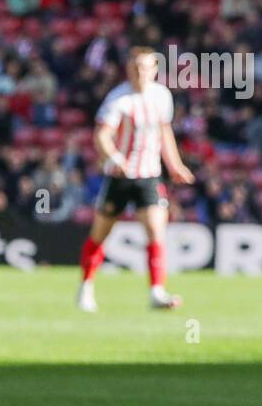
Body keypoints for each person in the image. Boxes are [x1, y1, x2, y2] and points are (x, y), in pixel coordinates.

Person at [78, 47, 196, 312]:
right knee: (100, 234)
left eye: (144, 67)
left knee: (156, 230)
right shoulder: (118, 99)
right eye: (134, 67)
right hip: (120, 176)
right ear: (127, 69)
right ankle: (86, 286)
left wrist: (175, 165)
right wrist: (114, 158)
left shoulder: (162, 96)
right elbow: (102, 135)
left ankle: (156, 291)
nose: (139, 72)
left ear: (155, 69)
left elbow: (164, 133)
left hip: (149, 176)